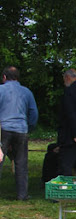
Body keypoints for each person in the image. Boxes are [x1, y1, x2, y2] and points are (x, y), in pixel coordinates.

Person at [0, 66, 38, 200]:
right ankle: (22, 194)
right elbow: (33, 112)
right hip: (21, 129)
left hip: (3, 128)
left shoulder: (1, 90)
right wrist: (29, 127)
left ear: (4, 77)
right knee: (21, 163)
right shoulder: (26, 92)